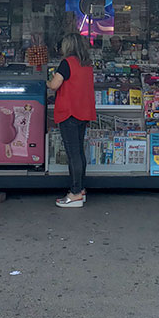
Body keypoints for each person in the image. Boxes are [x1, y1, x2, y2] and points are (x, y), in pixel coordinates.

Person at [47, 33, 96, 208]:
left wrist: (46, 81)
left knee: (72, 154)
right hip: (83, 112)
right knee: (79, 152)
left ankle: (74, 193)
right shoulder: (87, 64)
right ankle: (80, 189)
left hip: (69, 112)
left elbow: (54, 85)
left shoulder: (66, 63)